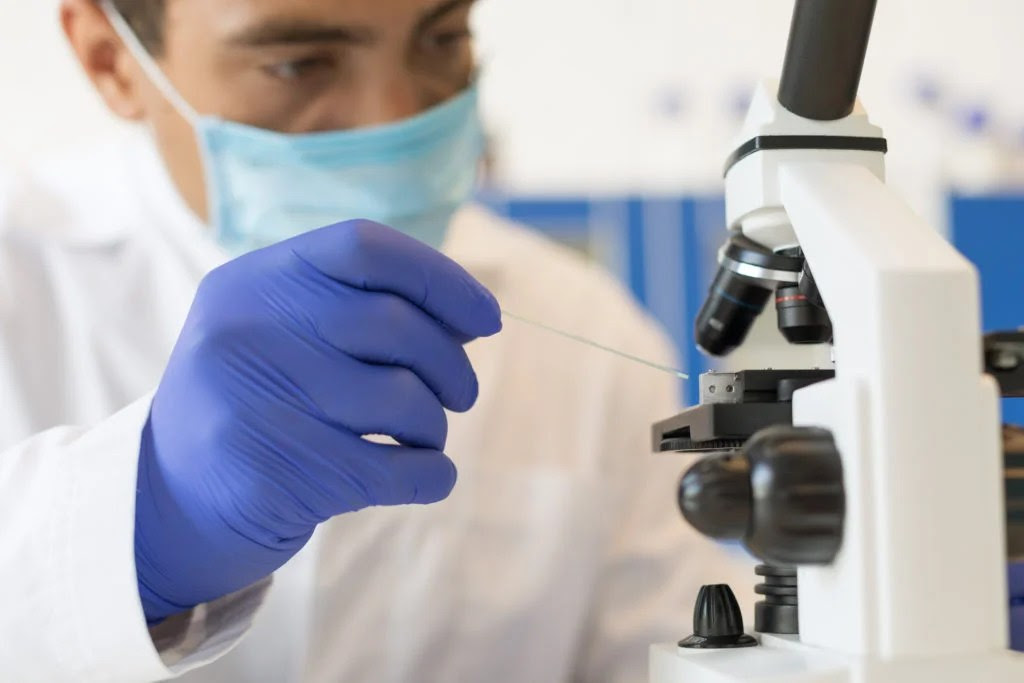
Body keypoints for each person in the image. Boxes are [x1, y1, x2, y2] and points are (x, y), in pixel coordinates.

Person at [0, 0, 760, 681]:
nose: (393, 116)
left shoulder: (591, 331)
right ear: (112, 59)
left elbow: (667, 653)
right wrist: (139, 531)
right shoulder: (21, 286)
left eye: (441, 38)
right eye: (299, 61)